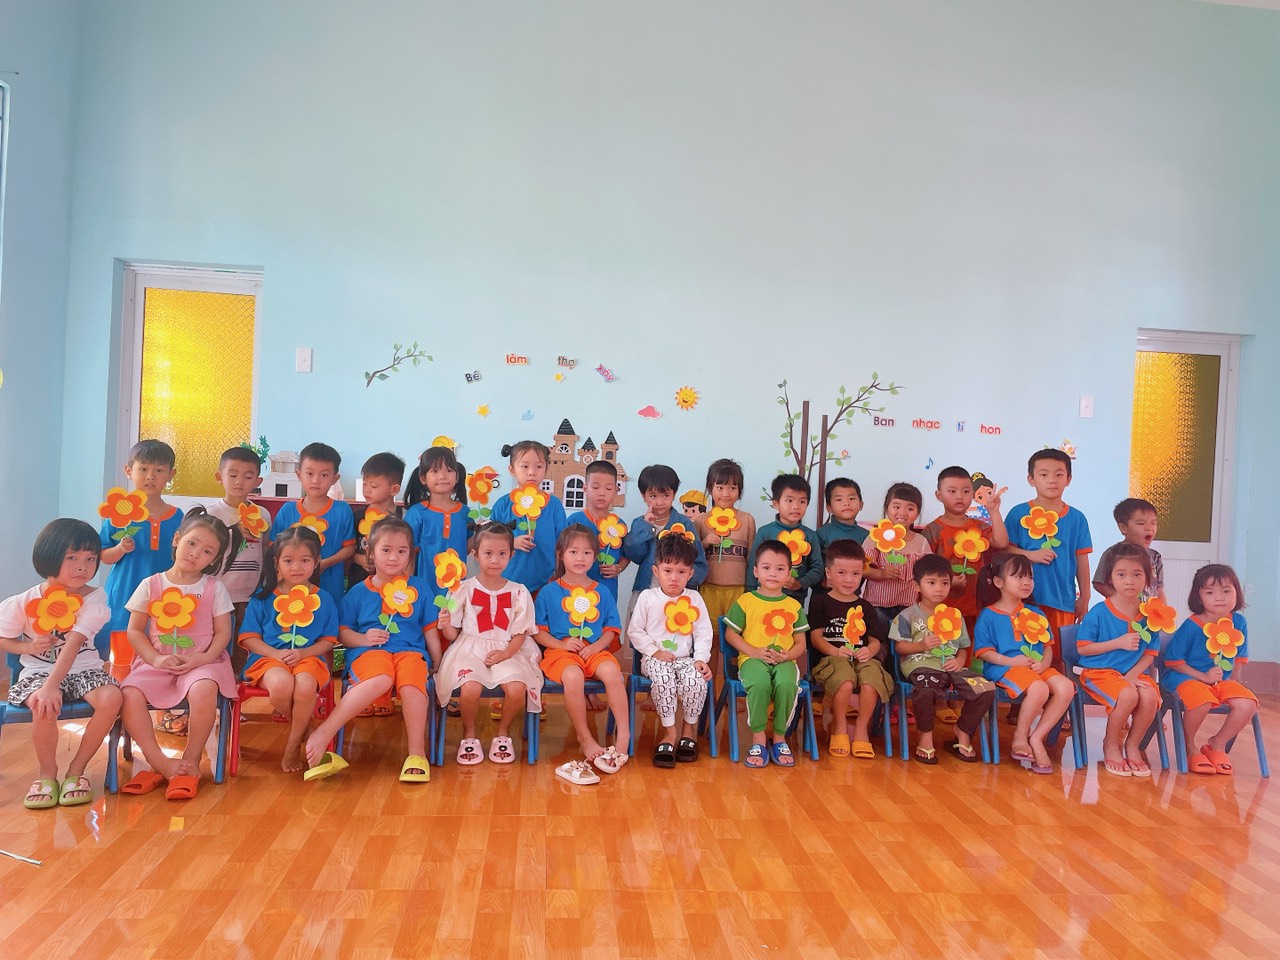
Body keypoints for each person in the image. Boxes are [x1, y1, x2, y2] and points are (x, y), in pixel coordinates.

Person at [303, 517, 441, 782]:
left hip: (411, 652)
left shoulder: (420, 588)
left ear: (410, 554)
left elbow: (429, 631)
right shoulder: (357, 592)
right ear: (371, 552)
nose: (394, 557)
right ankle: (324, 732)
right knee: (382, 677)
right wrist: (363, 639)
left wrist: (438, 662)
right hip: (369, 653)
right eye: (386, 550)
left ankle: (416, 753)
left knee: (412, 684)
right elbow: (342, 633)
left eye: (401, 551)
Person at [118, 508, 238, 800]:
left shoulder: (214, 587)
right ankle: (158, 761)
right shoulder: (151, 584)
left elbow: (223, 633)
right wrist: (155, 659)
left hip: (203, 662)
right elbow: (135, 631)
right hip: (156, 661)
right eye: (192, 543)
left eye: (207, 551)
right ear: (177, 539)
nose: (196, 553)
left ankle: (190, 761)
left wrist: (203, 658)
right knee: (129, 693)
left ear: (214, 560)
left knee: (204, 688)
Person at [0, 519, 120, 808]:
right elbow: (4, 638)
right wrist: (27, 647)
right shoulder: (24, 601)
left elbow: (76, 642)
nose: (83, 567)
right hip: (38, 672)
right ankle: (47, 774)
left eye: (90, 559)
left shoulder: (94, 596)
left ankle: (76, 770)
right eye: (72, 558)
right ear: (50, 556)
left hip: (84, 670)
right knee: (43, 704)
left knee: (112, 698)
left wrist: (53, 685)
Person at [436, 523, 544, 764]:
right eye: (488, 553)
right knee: (470, 687)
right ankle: (469, 734)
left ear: (511, 555)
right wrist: (446, 624)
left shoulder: (519, 592)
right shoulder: (463, 588)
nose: (495, 560)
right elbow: (452, 635)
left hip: (508, 649)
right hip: (469, 648)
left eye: (502, 554)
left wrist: (505, 654)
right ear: (475, 555)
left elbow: (521, 633)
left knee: (516, 688)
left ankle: (503, 733)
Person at [238, 526, 336, 773]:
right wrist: (275, 654)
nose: (296, 567)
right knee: (282, 686)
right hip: (268, 659)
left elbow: (328, 640)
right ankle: (306, 727)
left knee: (304, 686)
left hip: (308, 658)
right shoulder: (262, 598)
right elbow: (249, 638)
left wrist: (303, 653)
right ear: (276, 563)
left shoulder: (324, 599)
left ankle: (292, 746)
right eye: (288, 560)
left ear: (316, 562)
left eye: (305, 560)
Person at [534, 525, 630, 777]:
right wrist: (562, 645)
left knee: (613, 673)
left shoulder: (602, 591)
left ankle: (624, 736)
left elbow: (612, 629)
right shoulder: (549, 591)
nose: (580, 558)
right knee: (573, 676)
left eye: (587, 553)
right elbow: (538, 632)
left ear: (595, 556)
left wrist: (597, 646)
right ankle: (585, 737)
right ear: (560, 555)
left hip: (594, 651)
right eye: (573, 551)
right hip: (560, 653)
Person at [974, 552, 1074, 775]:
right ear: (999, 582)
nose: (1026, 582)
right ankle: (1020, 736)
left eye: (1030, 577)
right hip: (1004, 668)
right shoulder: (988, 615)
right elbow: (983, 652)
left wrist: (1044, 664)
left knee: (1066, 686)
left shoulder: (1036, 612)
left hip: (1037, 668)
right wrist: (1011, 661)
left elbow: (1047, 646)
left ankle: (1037, 737)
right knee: (1039, 688)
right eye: (1018, 577)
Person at [890, 553, 995, 764]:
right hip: (921, 666)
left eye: (945, 583)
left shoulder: (955, 615)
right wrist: (921, 645)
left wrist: (959, 661)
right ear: (917, 586)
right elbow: (900, 647)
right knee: (926, 689)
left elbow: (963, 647)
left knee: (985, 689)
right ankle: (925, 735)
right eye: (931, 583)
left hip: (950, 667)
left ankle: (963, 730)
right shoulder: (907, 616)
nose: (939, 588)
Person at [99, 439, 185, 683]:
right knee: (123, 663)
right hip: (124, 598)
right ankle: (119, 702)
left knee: (159, 660)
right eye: (143, 469)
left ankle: (157, 704)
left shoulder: (178, 516)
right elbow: (103, 556)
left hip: (164, 600)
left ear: (170, 474)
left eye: (159, 470)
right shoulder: (117, 514)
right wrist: (120, 548)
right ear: (129, 471)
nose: (150, 476)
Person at [627, 531, 713, 768]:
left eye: (681, 572)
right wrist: (654, 652)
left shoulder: (694, 598)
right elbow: (635, 631)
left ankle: (688, 731)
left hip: (686, 659)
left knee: (696, 681)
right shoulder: (647, 597)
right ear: (656, 571)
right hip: (655, 659)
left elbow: (704, 632)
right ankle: (669, 732)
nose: (674, 578)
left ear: (690, 573)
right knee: (664, 680)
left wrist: (701, 659)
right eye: (668, 571)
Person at [1162, 563, 1257, 775]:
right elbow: (1173, 662)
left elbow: (1239, 659)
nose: (1219, 598)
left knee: (1247, 703)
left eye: (1226, 591)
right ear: (1199, 596)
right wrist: (1202, 676)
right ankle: (1190, 747)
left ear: (1237, 593)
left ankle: (1217, 744)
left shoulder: (1239, 622)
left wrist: (1231, 684)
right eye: (1210, 592)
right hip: (1183, 677)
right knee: (1202, 699)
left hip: (1218, 680)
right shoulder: (1192, 625)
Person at [1077, 543, 1161, 778]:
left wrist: (1132, 675)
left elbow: (1150, 653)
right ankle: (1111, 744)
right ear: (1110, 578)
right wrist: (1118, 643)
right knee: (1127, 695)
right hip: (1099, 673)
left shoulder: (1150, 615)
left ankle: (1133, 745)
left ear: (1147, 578)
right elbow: (1083, 649)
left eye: (1137, 575)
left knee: (1149, 696)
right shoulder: (1099, 612)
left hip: (1133, 673)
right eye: (1121, 575)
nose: (1129, 581)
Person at [723, 540, 809, 769]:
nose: (772, 573)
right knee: (760, 684)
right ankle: (759, 738)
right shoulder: (745, 601)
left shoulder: (794, 606)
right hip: (752, 659)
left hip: (784, 661)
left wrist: (787, 656)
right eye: (766, 567)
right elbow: (731, 634)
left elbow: (801, 644)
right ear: (755, 571)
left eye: (780, 569)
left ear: (788, 574)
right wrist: (753, 651)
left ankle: (779, 738)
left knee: (787, 684)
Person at [1004, 449, 1092, 665]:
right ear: (1031, 479)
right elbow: (1004, 551)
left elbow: (1082, 559)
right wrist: (1030, 555)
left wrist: (1085, 597)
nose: (1052, 480)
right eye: (1044, 475)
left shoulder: (1077, 518)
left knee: (1058, 659)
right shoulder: (1018, 513)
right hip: (1023, 599)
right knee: (1026, 656)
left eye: (1059, 474)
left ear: (1068, 479)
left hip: (1062, 599)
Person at [807, 539, 892, 760]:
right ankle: (840, 726)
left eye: (855, 574)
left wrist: (870, 651)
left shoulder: (865, 606)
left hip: (861, 658)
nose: (849, 579)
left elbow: (875, 640)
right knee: (845, 681)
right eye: (841, 573)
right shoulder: (819, 603)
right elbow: (816, 639)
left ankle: (862, 729)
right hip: (831, 659)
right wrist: (835, 652)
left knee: (871, 679)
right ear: (828, 573)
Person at [205, 446, 270, 677]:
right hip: (219, 593)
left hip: (251, 594)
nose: (239, 481)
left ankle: (236, 692)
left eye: (248, 476)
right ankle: (216, 689)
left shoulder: (263, 514)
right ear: (219, 476)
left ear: (258, 481)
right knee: (217, 643)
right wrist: (233, 531)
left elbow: (265, 550)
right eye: (232, 475)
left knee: (243, 645)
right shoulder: (210, 514)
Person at [921, 465, 1009, 633]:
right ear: (939, 495)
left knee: (973, 645)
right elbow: (924, 569)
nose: (960, 496)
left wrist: (994, 512)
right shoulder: (933, 530)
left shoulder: (979, 526)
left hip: (975, 605)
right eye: (952, 491)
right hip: (941, 609)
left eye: (966, 491)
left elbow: (1001, 543)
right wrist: (948, 581)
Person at [269, 442, 356, 604]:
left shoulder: (342, 510)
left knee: (327, 616)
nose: (316, 480)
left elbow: (349, 547)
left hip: (330, 585)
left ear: (335, 478)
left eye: (324, 475)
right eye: (309, 473)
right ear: (299, 474)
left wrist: (323, 564)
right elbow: (273, 546)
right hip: (290, 585)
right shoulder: (288, 510)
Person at [691, 458, 755, 678]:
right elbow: (691, 556)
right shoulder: (701, 521)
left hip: (738, 591)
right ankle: (707, 689)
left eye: (732, 488)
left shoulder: (747, 520)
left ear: (740, 491)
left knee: (736, 640)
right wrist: (704, 543)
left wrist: (750, 590)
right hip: (708, 589)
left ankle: (734, 686)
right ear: (710, 488)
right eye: (720, 487)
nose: (726, 493)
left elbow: (752, 558)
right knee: (708, 640)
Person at [622, 464, 708, 618]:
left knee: (674, 628)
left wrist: (685, 581)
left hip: (678, 594)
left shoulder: (684, 524)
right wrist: (645, 527)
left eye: (666, 495)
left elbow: (698, 561)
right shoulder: (640, 523)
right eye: (653, 496)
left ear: (674, 495)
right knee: (639, 627)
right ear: (643, 495)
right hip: (646, 589)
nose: (660, 502)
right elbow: (634, 555)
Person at [489, 441, 566, 596]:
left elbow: (563, 544)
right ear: (512, 469)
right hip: (506, 582)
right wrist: (511, 543)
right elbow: (489, 542)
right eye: (524, 466)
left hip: (545, 583)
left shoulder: (554, 505)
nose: (532, 472)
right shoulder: (502, 505)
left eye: (539, 466)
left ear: (546, 469)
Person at [746, 474, 824, 606]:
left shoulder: (810, 535)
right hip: (765, 596)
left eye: (802, 501)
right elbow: (753, 564)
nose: (796, 506)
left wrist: (800, 583)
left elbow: (818, 568)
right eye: (789, 500)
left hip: (796, 598)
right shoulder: (765, 532)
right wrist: (750, 593)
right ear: (776, 503)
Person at [861, 482, 932, 626]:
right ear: (887, 508)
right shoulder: (875, 537)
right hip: (877, 605)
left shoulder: (921, 541)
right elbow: (861, 569)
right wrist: (881, 574)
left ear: (918, 512)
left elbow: (928, 572)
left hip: (909, 607)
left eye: (910, 508)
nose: (902, 513)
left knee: (903, 639)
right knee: (878, 638)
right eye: (896, 507)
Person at [564, 459, 630, 608]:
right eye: (595, 487)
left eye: (608, 488)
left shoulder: (620, 525)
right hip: (575, 591)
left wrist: (618, 568)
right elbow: (560, 553)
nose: (601, 493)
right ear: (585, 488)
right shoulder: (573, 521)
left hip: (608, 590)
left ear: (616, 490)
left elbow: (626, 556)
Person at [1093, 497, 1165, 603]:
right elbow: (1099, 583)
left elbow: (1159, 589)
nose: (1149, 528)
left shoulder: (1155, 556)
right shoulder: (1113, 554)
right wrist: (1123, 601)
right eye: (1141, 523)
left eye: (1153, 523)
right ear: (1123, 528)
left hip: (1148, 612)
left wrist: (1163, 610)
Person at [352, 451, 407, 578]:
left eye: (374, 486)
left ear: (394, 489)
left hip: (394, 581)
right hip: (361, 580)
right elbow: (349, 549)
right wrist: (359, 559)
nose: (366, 490)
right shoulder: (357, 516)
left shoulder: (404, 517)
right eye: (364, 484)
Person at [816, 477, 868, 551]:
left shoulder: (867, 536)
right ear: (829, 508)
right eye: (839, 499)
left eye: (851, 498)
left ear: (861, 505)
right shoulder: (820, 535)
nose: (846, 503)